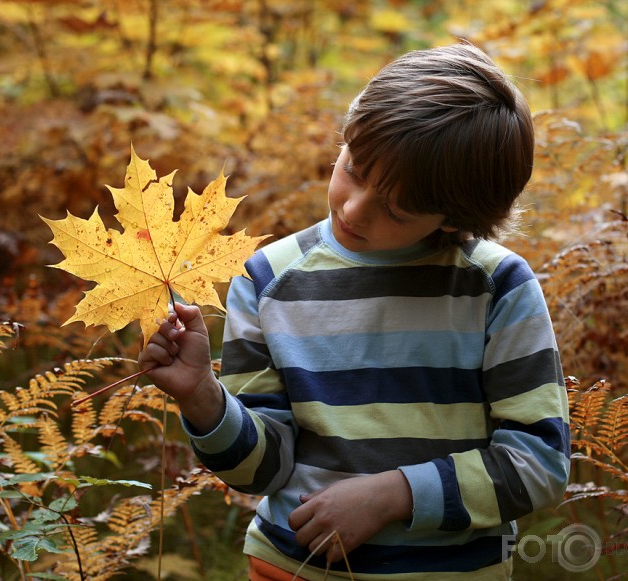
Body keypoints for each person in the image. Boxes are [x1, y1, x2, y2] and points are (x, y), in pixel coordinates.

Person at [139, 41, 571, 580]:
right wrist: (203, 396)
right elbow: (263, 469)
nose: (352, 207)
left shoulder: (494, 288)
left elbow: (538, 463)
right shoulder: (270, 279)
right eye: (354, 169)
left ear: (454, 215)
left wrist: (395, 495)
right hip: (291, 567)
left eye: (396, 208)